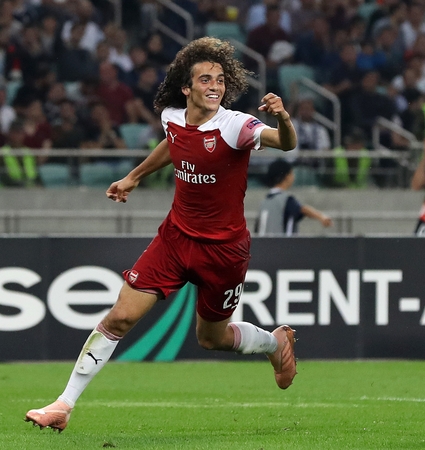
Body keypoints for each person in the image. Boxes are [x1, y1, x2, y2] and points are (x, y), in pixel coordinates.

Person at [25, 37, 299, 433]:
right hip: (174, 240)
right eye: (205, 79)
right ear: (186, 87)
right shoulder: (172, 116)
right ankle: (62, 405)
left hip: (224, 251)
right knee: (120, 317)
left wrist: (284, 120)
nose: (215, 86)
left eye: (220, 80)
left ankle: (276, 344)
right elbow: (173, 145)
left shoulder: (235, 125)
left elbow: (284, 145)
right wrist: (134, 176)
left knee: (212, 338)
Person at [254, 158, 332, 236]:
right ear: (287, 176)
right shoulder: (286, 200)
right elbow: (303, 209)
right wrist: (321, 217)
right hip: (283, 246)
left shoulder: (264, 203)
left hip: (263, 245)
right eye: (292, 173)